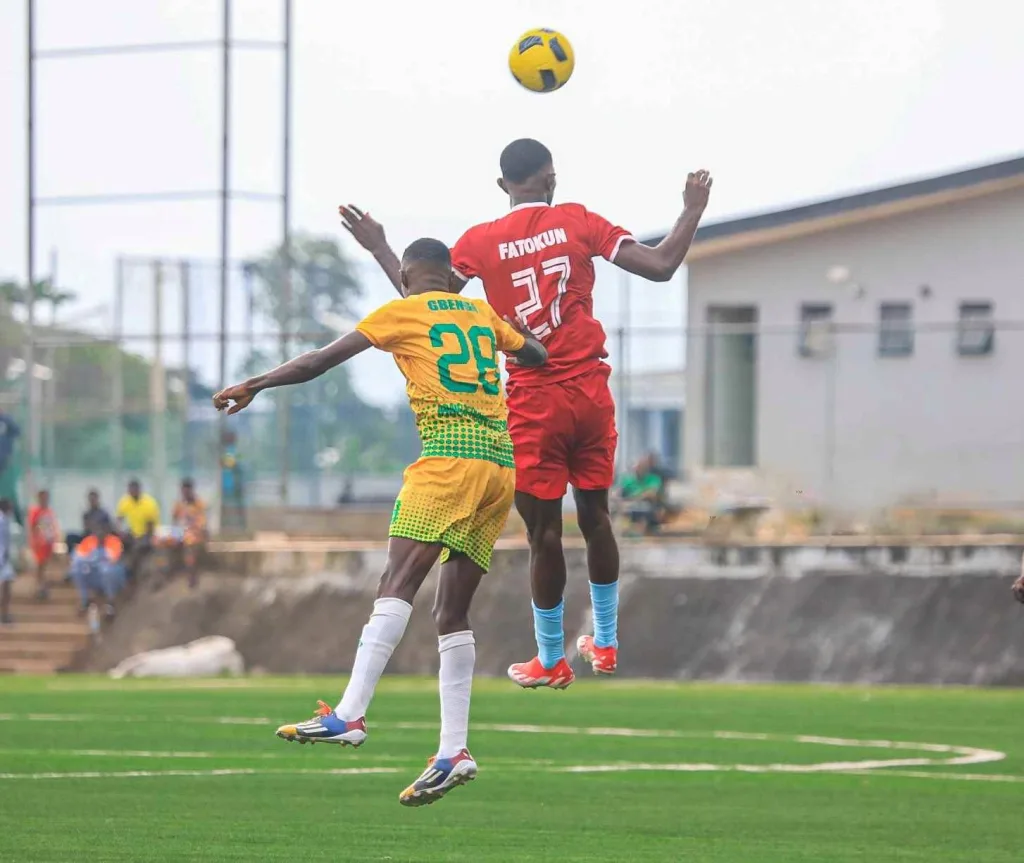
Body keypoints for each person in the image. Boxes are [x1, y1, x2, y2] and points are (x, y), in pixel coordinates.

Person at [340, 140, 712, 687]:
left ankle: (550, 657)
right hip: (590, 390)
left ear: (502, 186)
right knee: (597, 517)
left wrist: (379, 246)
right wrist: (691, 209)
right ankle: (606, 644)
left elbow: (424, 296)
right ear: (552, 178)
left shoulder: (479, 241)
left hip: (534, 398)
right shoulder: (579, 221)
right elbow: (659, 266)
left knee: (544, 534)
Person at [214, 238, 546, 807]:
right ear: (448, 275)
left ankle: (350, 714)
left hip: (446, 458)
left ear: (409, 276)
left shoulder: (400, 311)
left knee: (397, 584)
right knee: (452, 610)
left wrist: (257, 384)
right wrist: (511, 335)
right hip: (498, 465)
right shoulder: (478, 311)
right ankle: (453, 751)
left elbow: (319, 361)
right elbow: (535, 354)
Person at [69, 521, 124, 619]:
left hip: (111, 577)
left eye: (102, 530)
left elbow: (113, 560)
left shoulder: (113, 541)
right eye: (97, 530)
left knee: (107, 570)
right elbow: (78, 557)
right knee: (77, 568)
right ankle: (85, 600)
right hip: (94, 574)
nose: (100, 533)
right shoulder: (89, 541)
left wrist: (97, 559)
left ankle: (110, 603)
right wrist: (89, 561)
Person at [116, 479, 160, 579]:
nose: (132, 492)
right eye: (130, 490)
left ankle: (133, 573)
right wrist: (120, 532)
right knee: (118, 542)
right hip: (133, 532)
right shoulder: (125, 501)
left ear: (139, 490)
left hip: (148, 534)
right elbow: (119, 519)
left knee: (137, 548)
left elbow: (151, 527)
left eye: (134, 489)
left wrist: (140, 538)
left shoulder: (149, 503)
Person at [618, 454, 668, 534]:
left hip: (648, 508)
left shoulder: (654, 479)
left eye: (643, 466)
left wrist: (634, 498)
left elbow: (651, 494)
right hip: (630, 509)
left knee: (654, 512)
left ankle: (644, 531)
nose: (640, 468)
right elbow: (619, 495)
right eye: (638, 466)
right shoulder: (627, 480)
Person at [172, 478, 207, 588]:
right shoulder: (179, 504)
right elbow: (174, 519)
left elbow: (202, 523)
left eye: (188, 490)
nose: (185, 493)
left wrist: (194, 527)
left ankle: (192, 576)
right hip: (181, 532)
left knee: (190, 546)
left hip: (194, 534)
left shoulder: (198, 504)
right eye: (183, 490)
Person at [27, 489, 58, 601]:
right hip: (39, 542)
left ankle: (42, 585)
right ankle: (40, 586)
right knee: (40, 565)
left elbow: (52, 526)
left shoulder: (49, 511)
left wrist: (54, 538)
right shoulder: (35, 511)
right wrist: (35, 539)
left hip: (48, 542)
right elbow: (33, 526)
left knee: (44, 565)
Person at [65, 489, 112, 556]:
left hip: (99, 538)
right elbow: (86, 528)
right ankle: (72, 557)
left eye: (93, 500)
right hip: (87, 536)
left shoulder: (103, 513)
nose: (92, 502)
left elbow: (108, 528)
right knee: (70, 537)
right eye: (90, 500)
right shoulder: (86, 514)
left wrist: (98, 530)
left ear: (97, 499)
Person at [0, 498, 15, 626]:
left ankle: (5, 614)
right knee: (5, 587)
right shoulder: (1, 520)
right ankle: (4, 614)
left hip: (4, 559)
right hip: (1, 558)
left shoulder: (5, 520)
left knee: (7, 585)